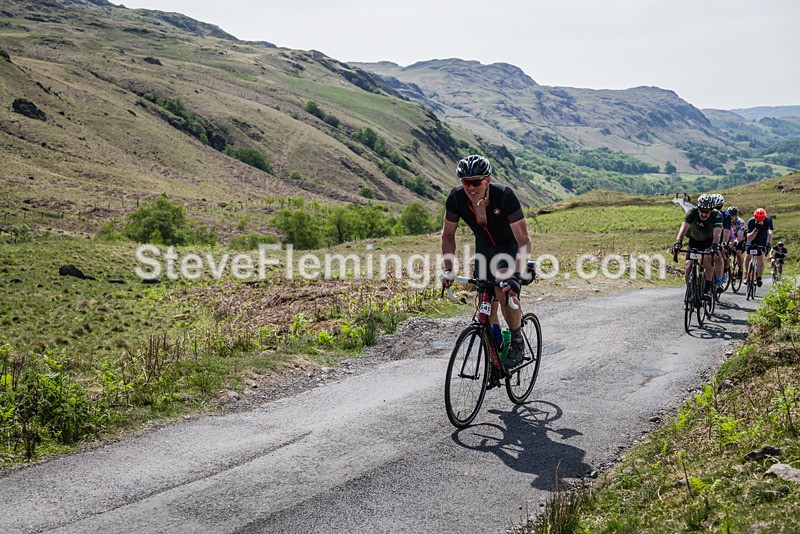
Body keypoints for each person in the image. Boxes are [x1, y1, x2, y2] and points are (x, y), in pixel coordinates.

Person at [441, 154, 531, 369]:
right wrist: (449, 269)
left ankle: (517, 339)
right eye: (466, 182)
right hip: (484, 249)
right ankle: (497, 347)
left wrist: (516, 275)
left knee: (503, 288)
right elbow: (447, 235)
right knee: (485, 302)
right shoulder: (456, 199)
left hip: (509, 246)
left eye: (476, 182)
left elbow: (524, 240)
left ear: (487, 180)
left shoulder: (504, 197)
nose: (471, 188)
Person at [671, 194, 723, 299]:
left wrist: (714, 246)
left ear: (711, 210)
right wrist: (678, 243)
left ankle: (707, 287)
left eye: (707, 212)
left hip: (709, 241)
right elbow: (683, 228)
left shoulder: (717, 215)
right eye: (701, 211)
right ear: (698, 208)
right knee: (688, 266)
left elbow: (717, 234)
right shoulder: (693, 212)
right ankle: (689, 291)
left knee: (708, 259)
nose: (703, 214)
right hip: (694, 240)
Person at [744, 208, 773, 287]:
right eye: (757, 219)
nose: (760, 221)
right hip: (752, 240)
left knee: (760, 257)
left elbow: (770, 233)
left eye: (761, 219)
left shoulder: (768, 220)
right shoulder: (751, 221)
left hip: (762, 240)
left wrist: (768, 244)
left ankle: (759, 277)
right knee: (748, 256)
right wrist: (756, 229)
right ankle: (746, 274)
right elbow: (749, 238)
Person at [712, 194, 730, 289]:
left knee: (722, 256)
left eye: (720, 206)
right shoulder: (710, 213)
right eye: (715, 206)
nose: (717, 209)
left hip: (722, 236)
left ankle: (720, 279)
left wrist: (724, 243)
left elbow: (727, 231)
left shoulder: (726, 215)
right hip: (711, 237)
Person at [727, 206, 746, 280]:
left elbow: (740, 235)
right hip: (730, 239)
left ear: (736, 215)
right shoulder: (726, 221)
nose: (732, 217)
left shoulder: (740, 222)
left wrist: (736, 242)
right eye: (730, 215)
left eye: (733, 215)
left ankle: (740, 269)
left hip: (740, 240)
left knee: (738, 253)